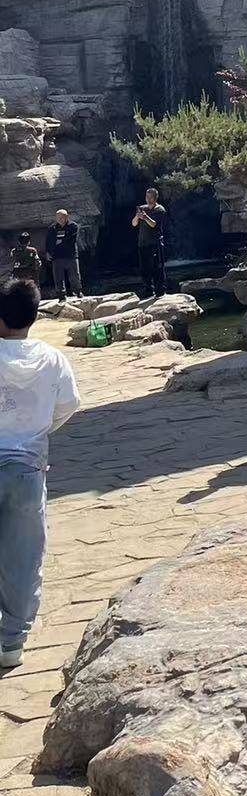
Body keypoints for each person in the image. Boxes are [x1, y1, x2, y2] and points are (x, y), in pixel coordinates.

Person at [0, 275, 80, 669]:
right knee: (24, 556)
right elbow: (69, 404)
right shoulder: (52, 359)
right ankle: (11, 643)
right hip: (28, 468)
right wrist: (38, 432)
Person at [131, 189, 168, 298]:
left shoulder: (160, 209)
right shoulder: (142, 208)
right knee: (144, 269)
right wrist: (137, 216)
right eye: (147, 197)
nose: (148, 199)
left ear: (155, 198)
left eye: (150, 197)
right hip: (143, 243)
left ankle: (160, 291)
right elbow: (134, 224)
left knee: (157, 268)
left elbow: (153, 224)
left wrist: (145, 217)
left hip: (155, 243)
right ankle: (148, 291)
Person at [43, 211, 82, 299]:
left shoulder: (73, 226)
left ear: (67, 217)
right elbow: (48, 241)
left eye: (62, 217)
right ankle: (61, 294)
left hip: (70, 255)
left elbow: (72, 239)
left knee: (74, 276)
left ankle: (78, 292)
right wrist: (48, 252)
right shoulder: (52, 228)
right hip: (57, 256)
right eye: (58, 217)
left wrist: (59, 241)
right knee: (58, 277)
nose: (60, 219)